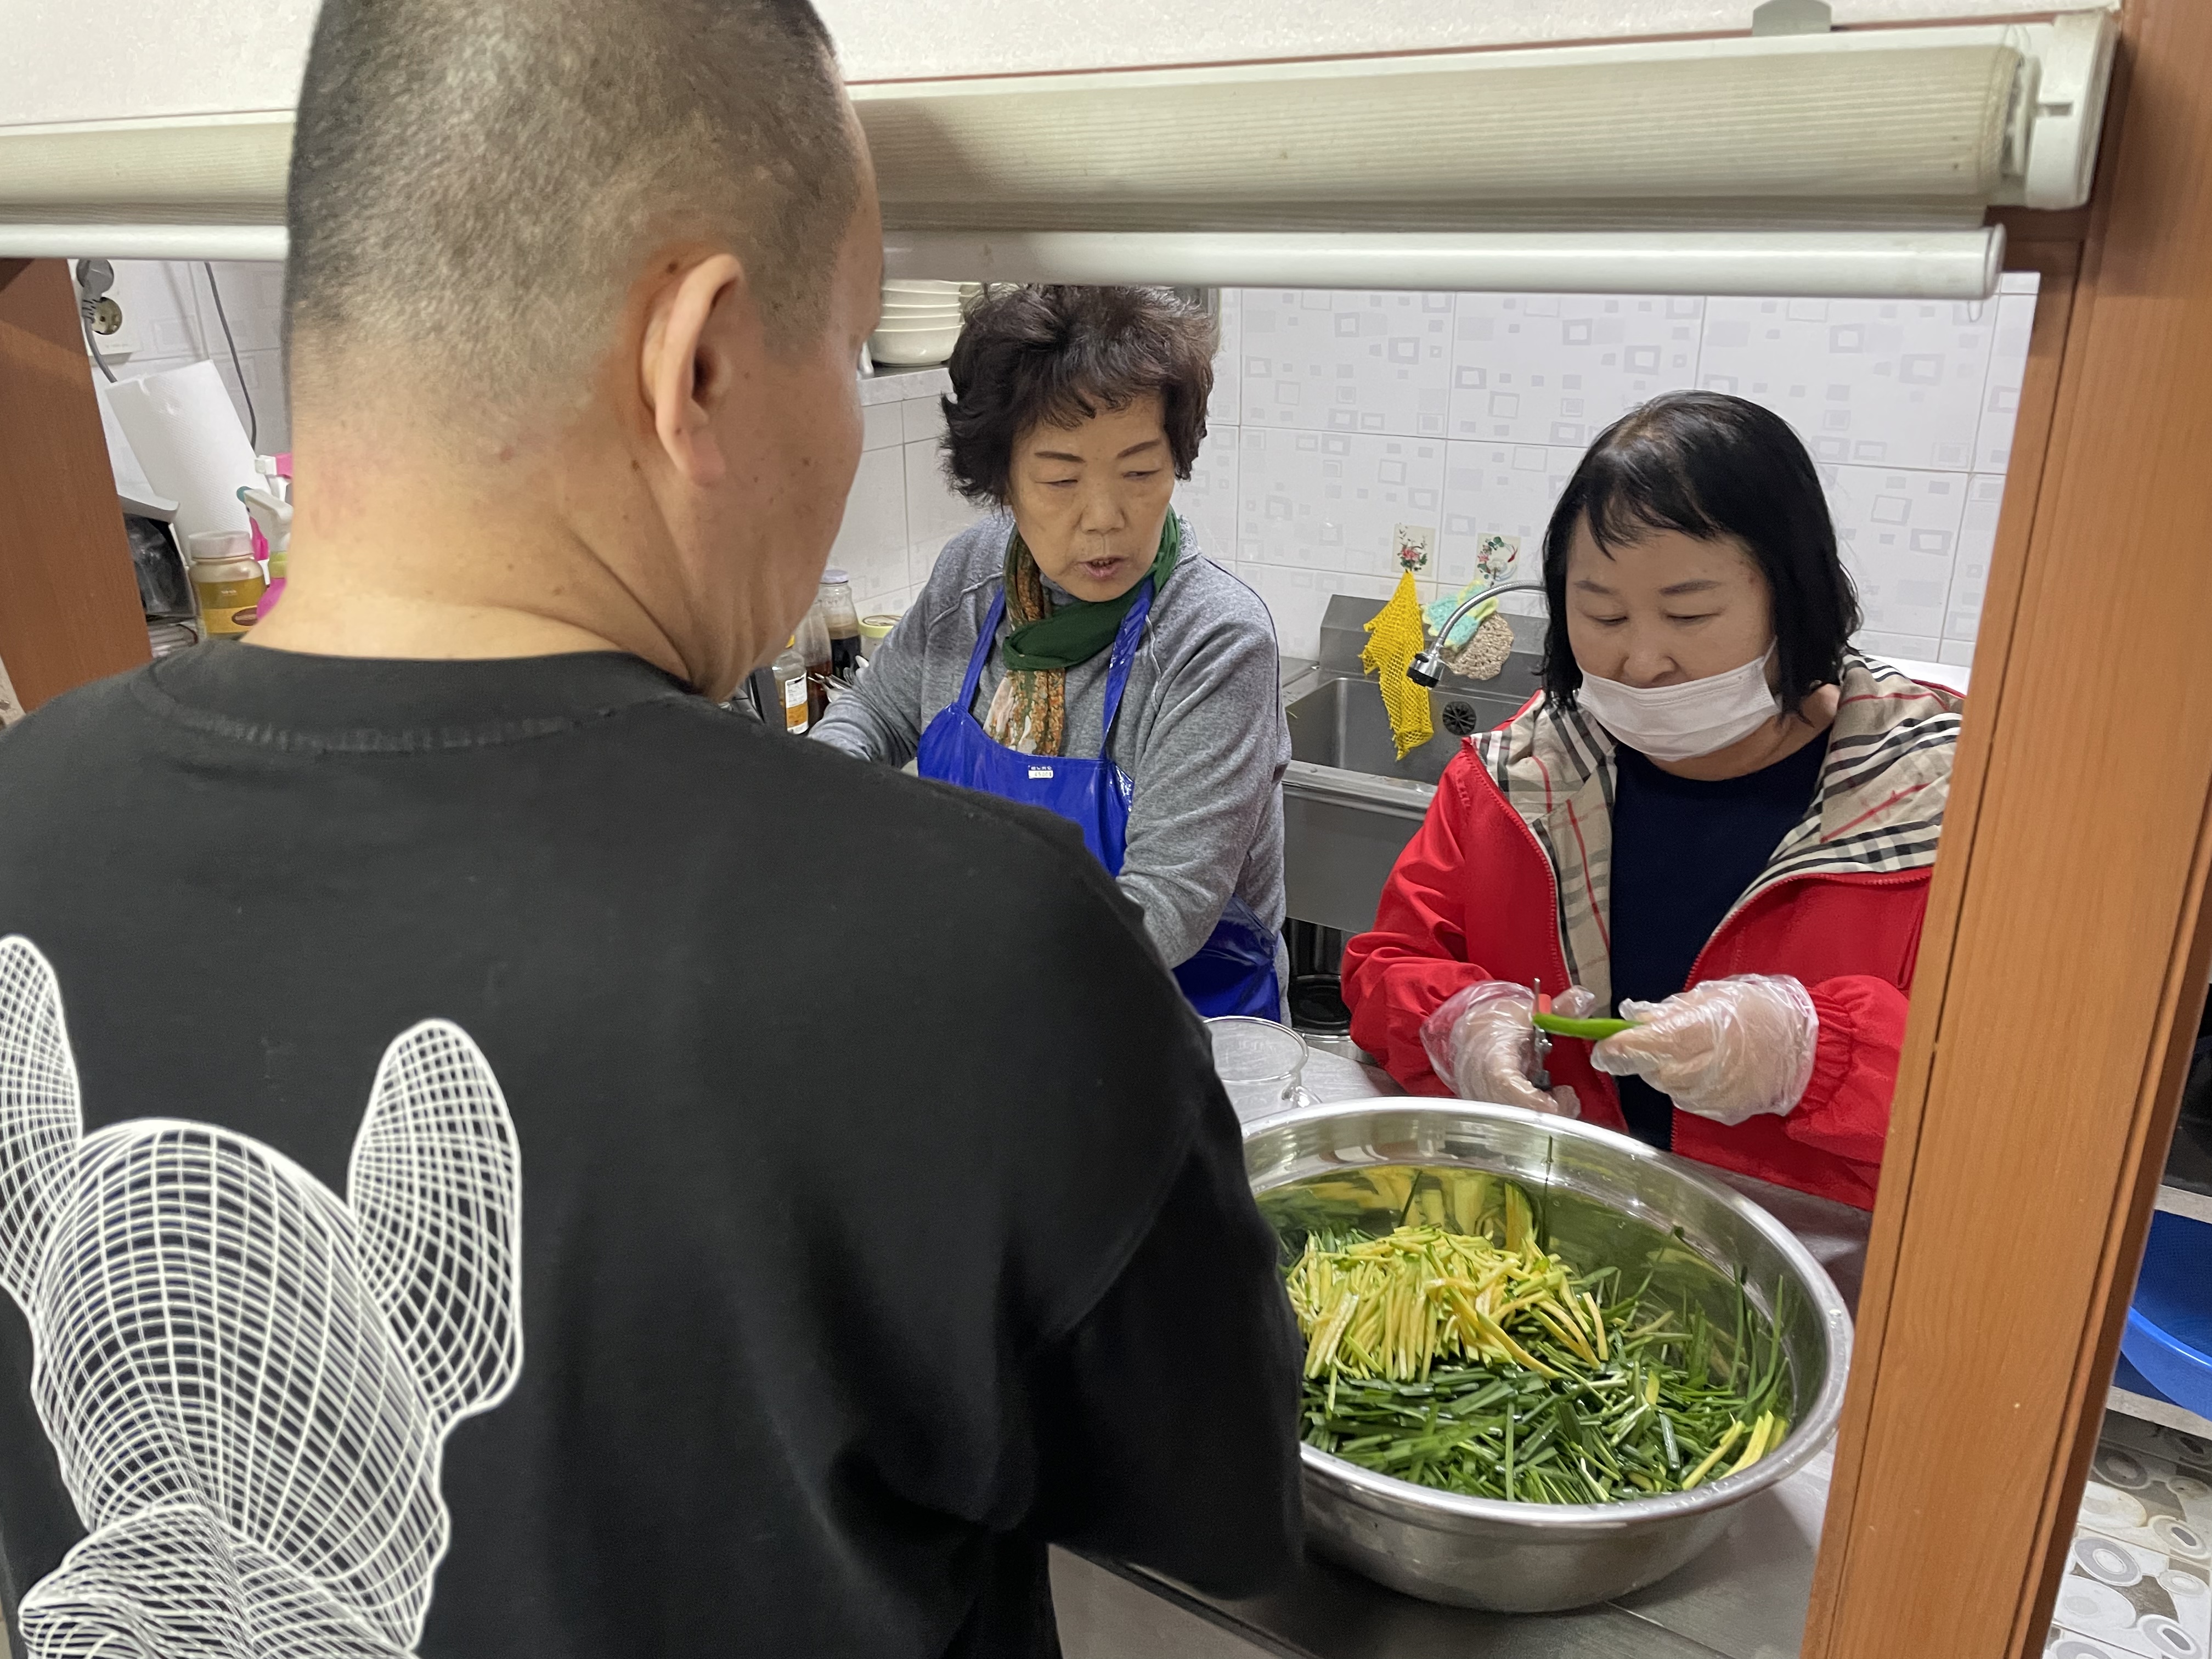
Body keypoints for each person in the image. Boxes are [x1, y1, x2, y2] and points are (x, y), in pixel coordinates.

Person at [0, 4, 1302, 1657]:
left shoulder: (20, 814)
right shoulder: (985, 956)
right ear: (699, 363)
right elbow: (1221, 1512)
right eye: (847, 349)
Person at [1344, 391, 1962, 1209]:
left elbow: (2025, 1085)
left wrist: (1818, 1056)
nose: (1640, 662)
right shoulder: (1521, 773)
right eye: (1602, 615)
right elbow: (1387, 967)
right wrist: (1454, 1023)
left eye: (1689, 614)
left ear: (1794, 597)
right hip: (1558, 1234)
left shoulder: (1944, 796)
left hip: (1817, 1252)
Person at [813, 286, 1290, 1019]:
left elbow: (1166, 907)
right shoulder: (972, 580)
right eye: (1061, 480)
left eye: (1140, 472)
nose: (1104, 519)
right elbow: (873, 715)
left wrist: (943, 953)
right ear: (1002, 482)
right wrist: (810, 810)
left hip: (1179, 1030)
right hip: (999, 1010)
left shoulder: (1214, 641)